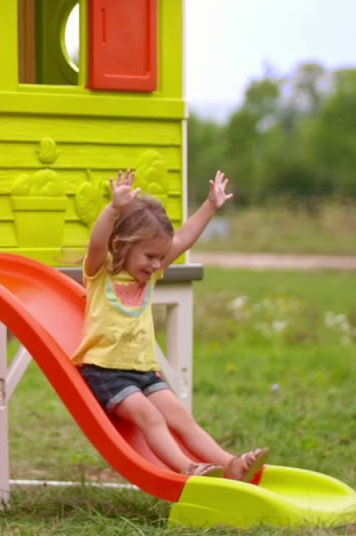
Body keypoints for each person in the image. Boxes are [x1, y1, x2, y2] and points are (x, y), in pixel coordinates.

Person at [72, 168, 269, 481]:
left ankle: (230, 464)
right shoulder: (101, 273)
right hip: (106, 372)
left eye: (160, 258)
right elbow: (97, 243)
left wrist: (211, 206)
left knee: (181, 417)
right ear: (123, 245)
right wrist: (113, 209)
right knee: (151, 417)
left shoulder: (151, 272)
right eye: (149, 256)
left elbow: (184, 237)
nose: (155, 264)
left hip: (144, 371)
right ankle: (186, 467)